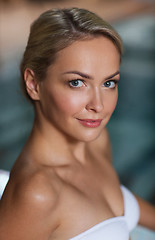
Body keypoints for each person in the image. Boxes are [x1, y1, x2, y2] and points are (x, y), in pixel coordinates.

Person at [0, 7, 154, 240]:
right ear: (34, 84)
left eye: (109, 83)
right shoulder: (38, 194)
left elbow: (117, 207)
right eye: (77, 83)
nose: (98, 105)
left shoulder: (95, 142)